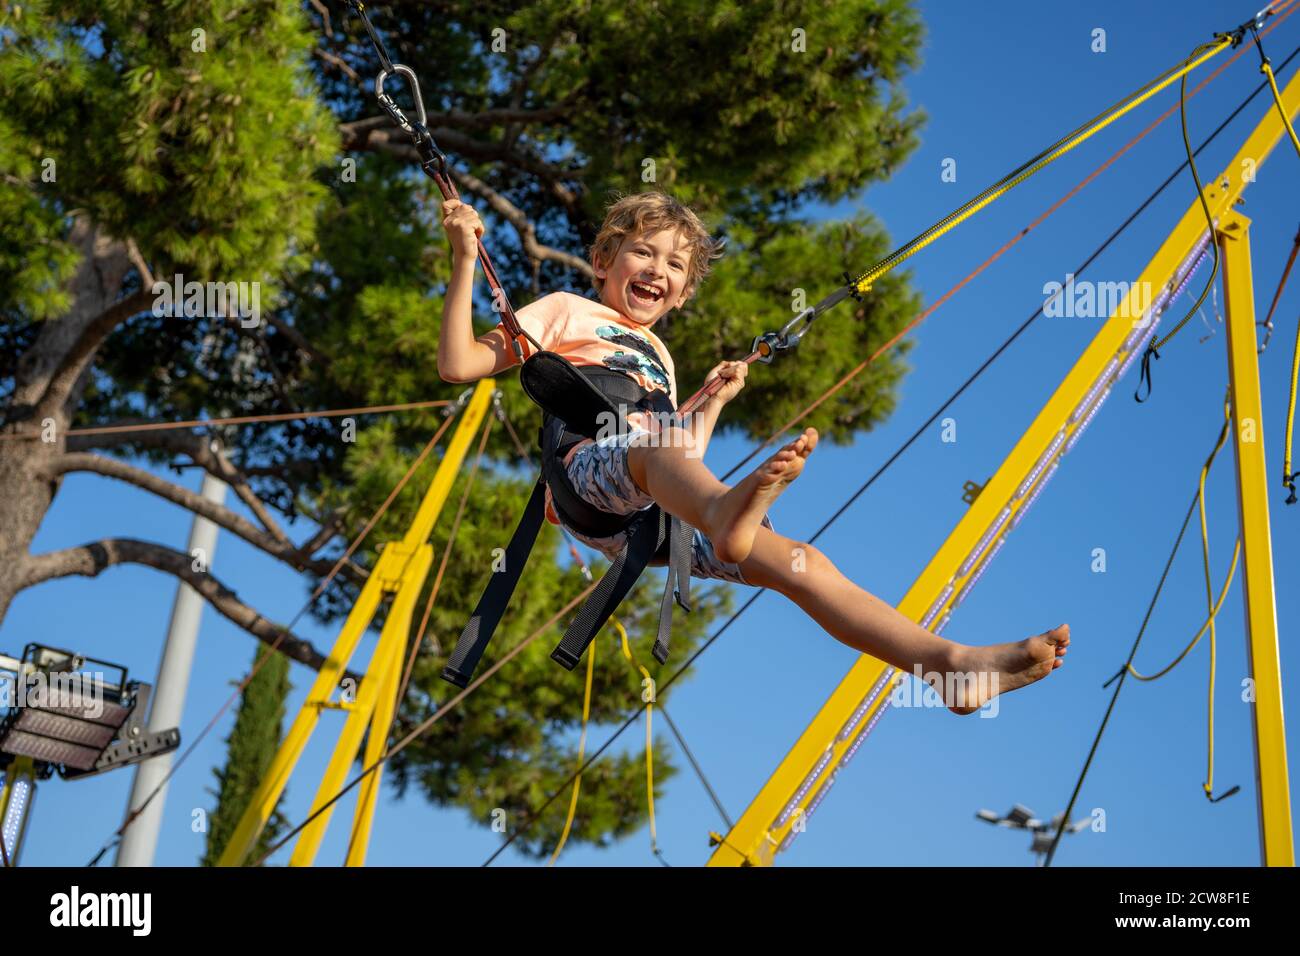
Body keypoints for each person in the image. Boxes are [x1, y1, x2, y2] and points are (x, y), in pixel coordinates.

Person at [437, 190, 1069, 714]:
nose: (658, 269)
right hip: (588, 478)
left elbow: (681, 454)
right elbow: (459, 364)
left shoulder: (661, 357)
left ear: (683, 294)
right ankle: (727, 516)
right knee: (668, 458)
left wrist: (712, 403)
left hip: (655, 513)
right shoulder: (564, 311)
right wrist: (466, 256)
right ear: (604, 260)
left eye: (676, 266)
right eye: (642, 252)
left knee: (800, 561)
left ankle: (948, 666)